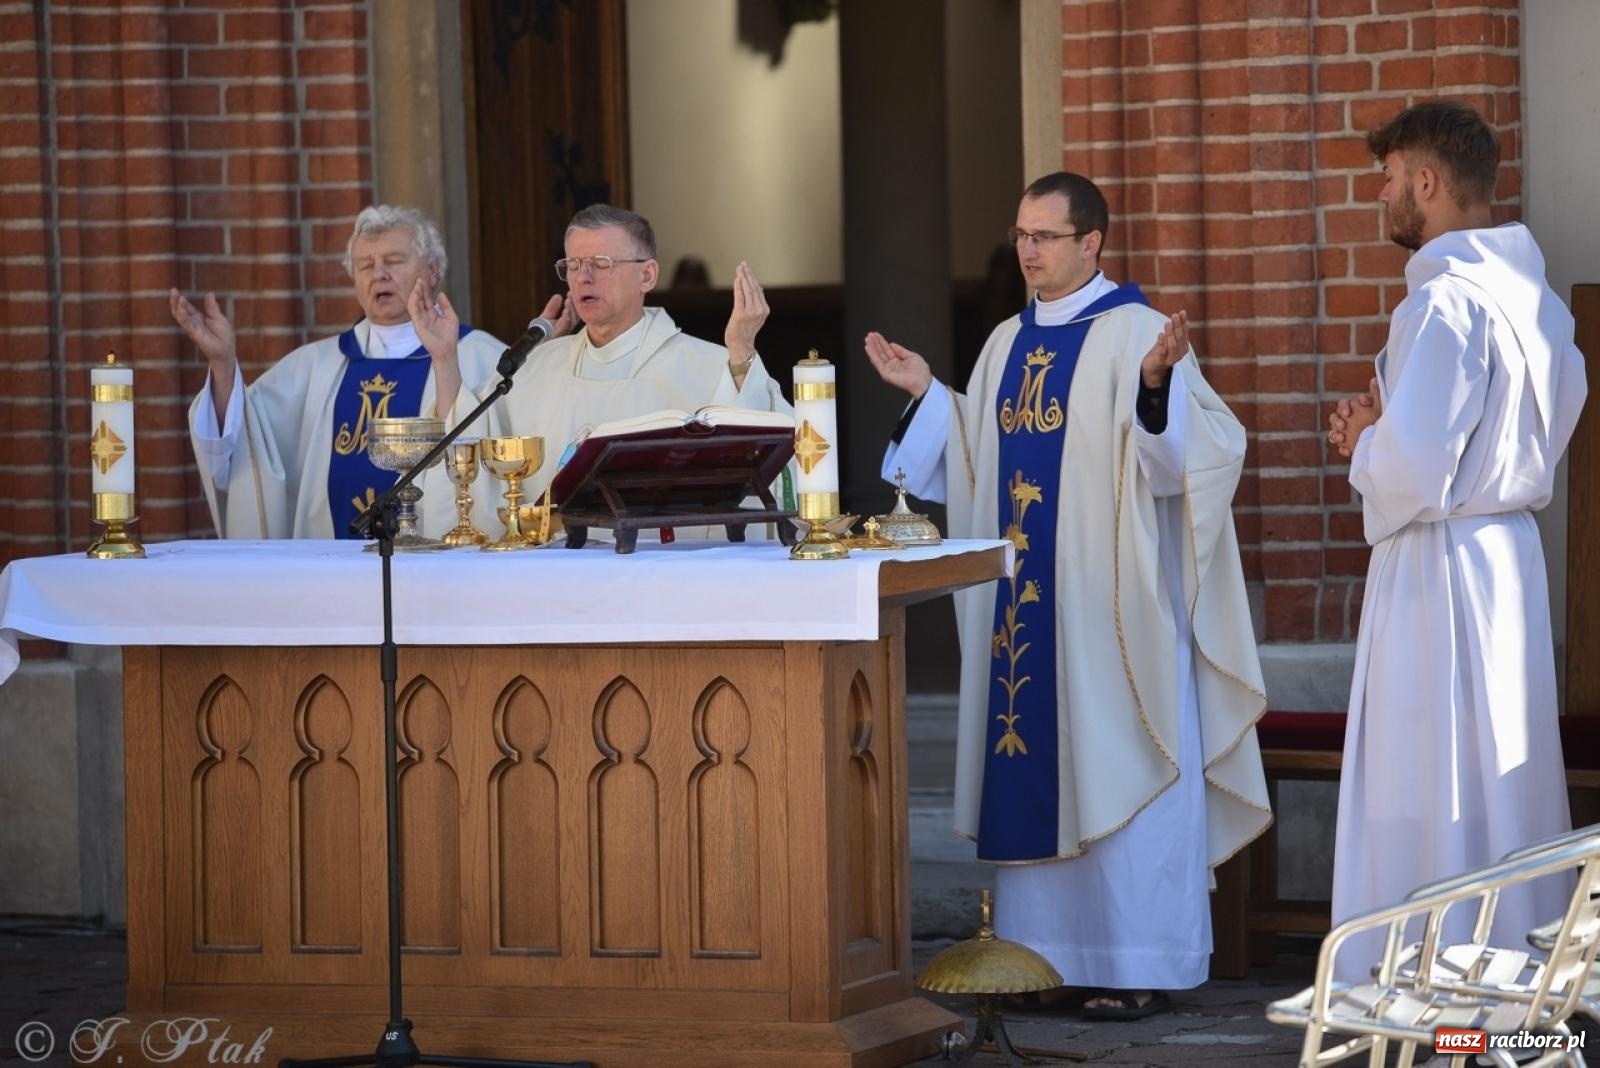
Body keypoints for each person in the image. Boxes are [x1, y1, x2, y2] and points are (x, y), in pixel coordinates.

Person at [864, 172, 1269, 1017]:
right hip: (1030, 608)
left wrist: (1157, 388)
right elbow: (980, 448)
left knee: (1123, 760)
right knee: (1039, 757)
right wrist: (929, 396)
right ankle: (1039, 960)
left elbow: (1187, 466)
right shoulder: (1007, 340)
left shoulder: (1139, 333)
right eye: (1019, 234)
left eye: (1045, 236)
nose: (1027, 251)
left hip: (1113, 614)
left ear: (1092, 243)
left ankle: (1136, 965)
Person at [1326, 100, 1585, 976]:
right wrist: (1392, 427)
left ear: (1427, 183)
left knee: (1430, 778)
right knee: (1499, 787)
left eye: (1390, 179)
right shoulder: (1540, 304)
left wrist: (1367, 439)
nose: (1383, 194)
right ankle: (1514, 984)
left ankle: (1433, 990)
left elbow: (1415, 470)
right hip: (1503, 556)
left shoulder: (1442, 303)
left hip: (1436, 568)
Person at [172, 204, 511, 540]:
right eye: (365, 265)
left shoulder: (483, 357)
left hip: (438, 573)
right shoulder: (312, 367)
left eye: (393, 261)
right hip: (332, 569)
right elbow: (244, 438)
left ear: (433, 270)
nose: (379, 274)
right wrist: (222, 365)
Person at [495, 204, 792, 502]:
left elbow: (778, 453)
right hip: (557, 548)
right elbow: (481, 434)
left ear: (647, 276)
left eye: (600, 264)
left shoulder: (712, 366)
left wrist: (742, 350)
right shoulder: (540, 365)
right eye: (573, 265)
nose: (583, 277)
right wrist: (446, 361)